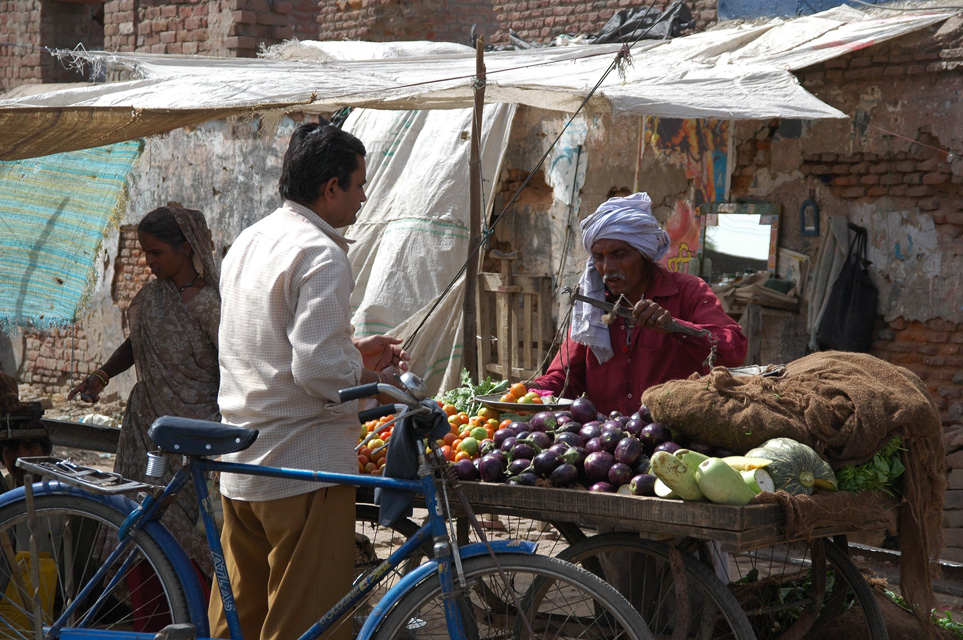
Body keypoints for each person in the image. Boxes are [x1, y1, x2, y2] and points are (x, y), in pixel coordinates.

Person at [209, 123, 410, 640]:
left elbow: (269, 342)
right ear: (331, 189)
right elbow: (317, 369)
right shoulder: (321, 253)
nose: (364, 197)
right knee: (305, 628)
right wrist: (379, 381)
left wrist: (351, 349)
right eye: (359, 185)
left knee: (241, 624)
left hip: (241, 464)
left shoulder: (251, 240)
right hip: (304, 466)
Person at [67, 204, 221, 582]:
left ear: (186, 247)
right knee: (142, 516)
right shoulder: (153, 298)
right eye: (144, 253)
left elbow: (232, 362)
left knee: (196, 527)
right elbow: (138, 343)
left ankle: (199, 615)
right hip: (148, 428)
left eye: (157, 252)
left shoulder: (209, 303)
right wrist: (102, 374)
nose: (149, 261)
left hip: (196, 429)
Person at [533, 191, 748, 416]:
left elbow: (735, 349)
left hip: (675, 436)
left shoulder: (687, 291)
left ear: (644, 255)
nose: (607, 267)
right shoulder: (593, 306)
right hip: (606, 439)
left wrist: (676, 328)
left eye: (619, 254)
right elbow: (566, 378)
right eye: (599, 257)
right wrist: (533, 391)